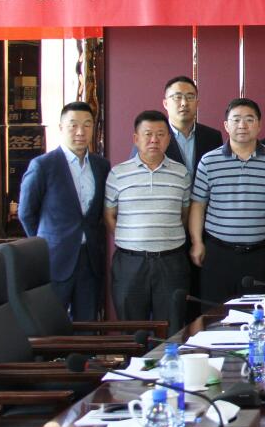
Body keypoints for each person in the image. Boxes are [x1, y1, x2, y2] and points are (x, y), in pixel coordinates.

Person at [17, 101, 110, 320]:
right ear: (61, 127)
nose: (80, 132)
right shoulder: (43, 165)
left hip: (90, 259)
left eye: (87, 125)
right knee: (51, 323)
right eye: (73, 125)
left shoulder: (101, 166)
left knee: (87, 323)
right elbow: (26, 213)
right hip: (55, 259)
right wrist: (46, 242)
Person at [188, 98, 265, 304]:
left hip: (261, 254)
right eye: (236, 120)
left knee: (259, 313)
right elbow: (198, 205)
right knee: (215, 314)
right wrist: (197, 242)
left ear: (259, 125)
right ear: (226, 125)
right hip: (218, 253)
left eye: (249, 119)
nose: (242, 125)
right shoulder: (209, 161)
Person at [105, 110, 192, 326]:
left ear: (168, 139)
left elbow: (185, 215)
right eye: (148, 134)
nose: (154, 140)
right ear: (136, 138)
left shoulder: (181, 173)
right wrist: (134, 239)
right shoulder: (118, 173)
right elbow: (109, 216)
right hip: (130, 262)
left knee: (172, 327)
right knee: (132, 329)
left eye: (161, 134)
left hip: (171, 262)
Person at [160, 76, 223, 183]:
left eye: (190, 97)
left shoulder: (213, 137)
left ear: (197, 103)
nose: (184, 103)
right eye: (177, 97)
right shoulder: (154, 138)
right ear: (165, 103)